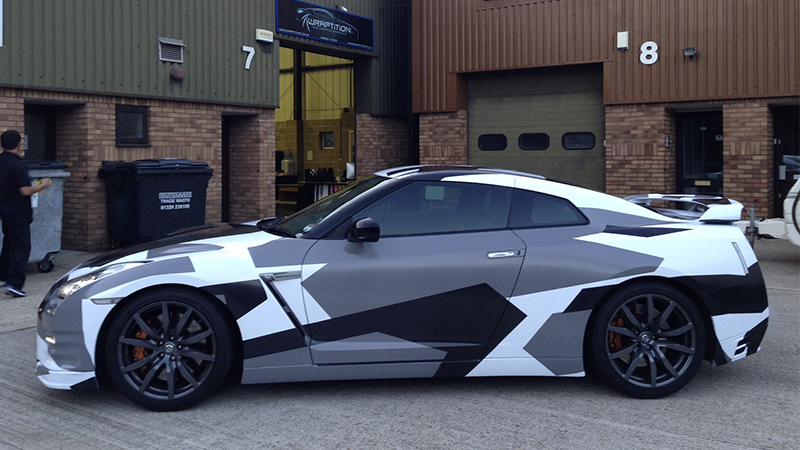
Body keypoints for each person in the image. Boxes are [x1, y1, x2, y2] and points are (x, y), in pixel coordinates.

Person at [0, 130, 51, 297]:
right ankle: (14, 283)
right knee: (21, 248)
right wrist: (42, 185)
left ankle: (3, 276)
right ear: (18, 144)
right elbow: (25, 190)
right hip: (18, 212)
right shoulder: (18, 164)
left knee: (9, 243)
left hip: (4, 210)